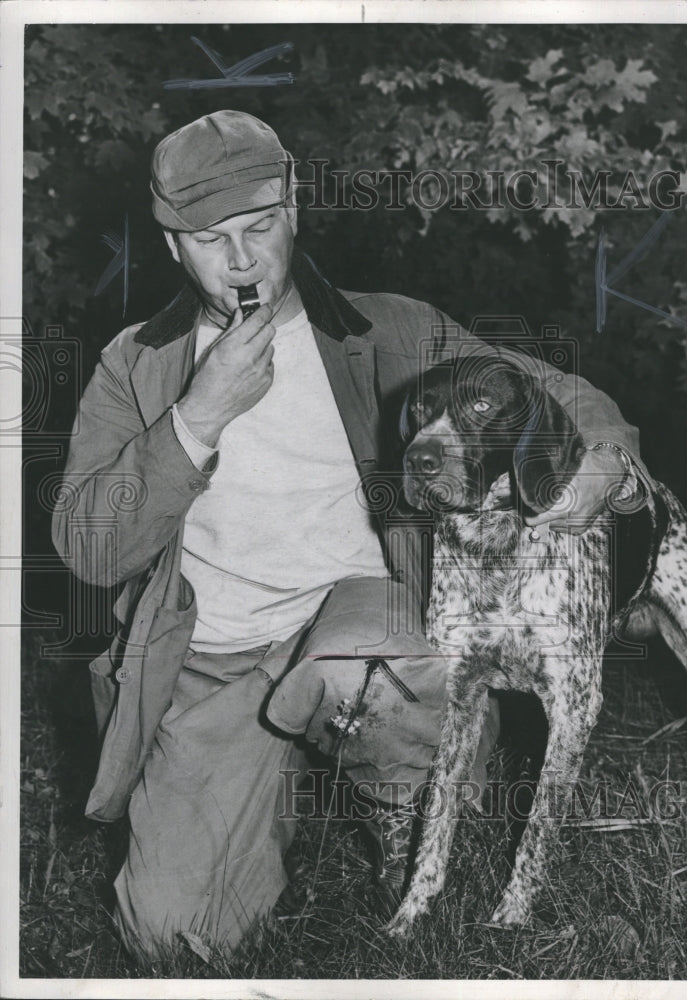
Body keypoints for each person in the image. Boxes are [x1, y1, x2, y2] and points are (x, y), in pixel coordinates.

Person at [52, 110, 650, 960]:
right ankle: (269, 788)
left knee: (373, 671)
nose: (244, 260)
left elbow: (556, 393)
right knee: (169, 939)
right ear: (171, 246)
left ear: (294, 207)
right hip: (212, 654)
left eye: (260, 227)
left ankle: (412, 807)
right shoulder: (133, 365)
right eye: (212, 240)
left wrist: (606, 462)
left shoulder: (390, 330)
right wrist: (195, 420)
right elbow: (90, 548)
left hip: (355, 620)